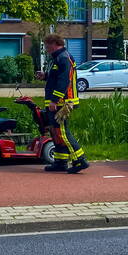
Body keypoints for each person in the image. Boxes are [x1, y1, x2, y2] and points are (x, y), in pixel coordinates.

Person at [38, 34, 88, 173]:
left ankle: (80, 160)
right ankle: (60, 161)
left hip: (63, 103)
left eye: (47, 45)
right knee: (55, 132)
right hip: (59, 102)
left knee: (62, 132)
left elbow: (64, 81)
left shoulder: (63, 58)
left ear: (55, 43)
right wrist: (45, 76)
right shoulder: (58, 58)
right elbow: (57, 77)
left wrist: (54, 100)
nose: (46, 48)